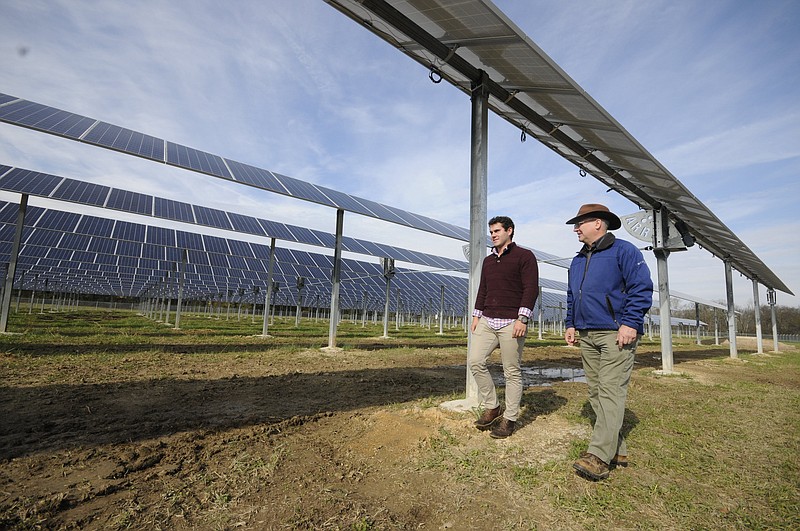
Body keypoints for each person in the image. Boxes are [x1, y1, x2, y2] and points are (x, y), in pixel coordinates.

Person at [564, 204, 653, 480]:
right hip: (587, 333)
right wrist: (570, 322)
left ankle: (599, 456)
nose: (576, 228)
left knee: (610, 391)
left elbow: (641, 287)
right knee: (595, 391)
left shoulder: (624, 251)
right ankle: (618, 449)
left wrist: (630, 322)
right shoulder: (578, 259)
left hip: (615, 332)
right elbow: (572, 294)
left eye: (581, 223)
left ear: (599, 224)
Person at [469, 216, 539, 439]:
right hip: (488, 320)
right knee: (475, 361)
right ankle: (493, 406)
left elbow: (531, 289)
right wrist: (476, 316)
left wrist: (522, 318)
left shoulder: (524, 256)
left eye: (497, 231)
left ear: (510, 231)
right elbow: (483, 290)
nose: (493, 235)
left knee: (511, 371)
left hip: (512, 322)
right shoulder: (489, 261)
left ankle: (509, 418)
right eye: (491, 231)